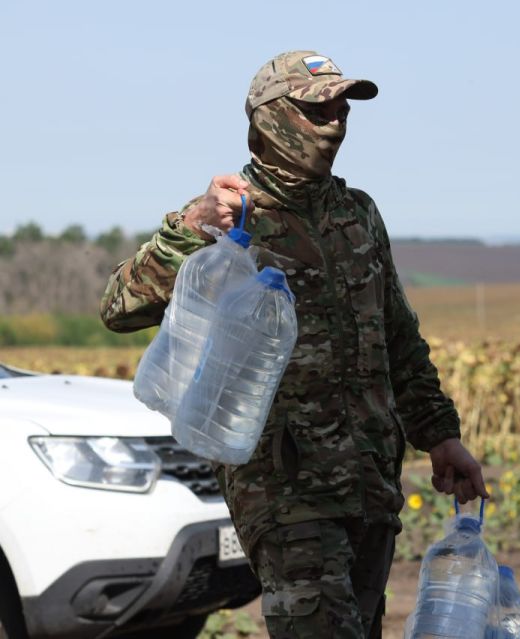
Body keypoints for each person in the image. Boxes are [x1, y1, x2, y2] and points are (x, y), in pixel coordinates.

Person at [100, 50, 488, 638]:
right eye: (318, 109)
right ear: (269, 118)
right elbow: (118, 308)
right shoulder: (227, 216)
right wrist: (193, 227)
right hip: (285, 492)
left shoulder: (358, 215)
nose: (336, 121)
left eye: (342, 108)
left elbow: (399, 338)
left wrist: (440, 436)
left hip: (370, 488)